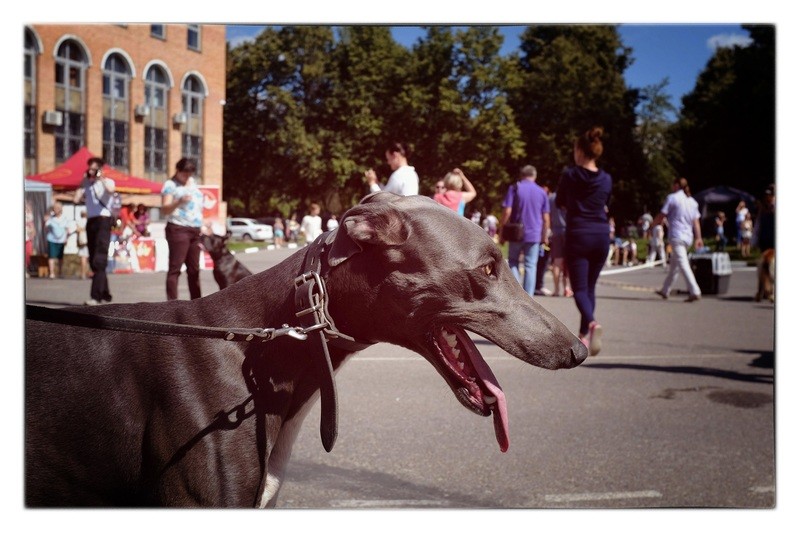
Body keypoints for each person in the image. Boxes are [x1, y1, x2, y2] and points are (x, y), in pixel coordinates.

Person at [556, 127, 612, 356]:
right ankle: (583, 336)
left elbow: (560, 201)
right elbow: (605, 202)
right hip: (601, 234)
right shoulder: (606, 179)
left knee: (579, 288)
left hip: (579, 233)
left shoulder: (570, 175)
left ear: (579, 150)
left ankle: (591, 323)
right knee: (589, 288)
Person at [500, 165, 550, 297]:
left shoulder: (515, 188)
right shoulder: (542, 192)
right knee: (530, 265)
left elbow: (507, 211)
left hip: (516, 233)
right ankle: (529, 297)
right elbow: (546, 218)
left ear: (521, 175)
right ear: (534, 176)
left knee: (513, 262)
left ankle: (516, 294)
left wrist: (502, 231)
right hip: (534, 234)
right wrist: (544, 235)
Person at [654, 177, 704, 303]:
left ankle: (695, 290)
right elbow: (696, 222)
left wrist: (653, 225)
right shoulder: (692, 201)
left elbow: (662, 215)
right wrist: (698, 237)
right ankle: (665, 290)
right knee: (674, 265)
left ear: (676, 185)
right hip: (688, 237)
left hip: (677, 235)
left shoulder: (672, 198)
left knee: (683, 263)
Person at [73, 157, 116, 305]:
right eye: (89, 168)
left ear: (100, 169)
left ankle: (96, 297)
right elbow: (76, 199)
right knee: (93, 260)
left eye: (94, 168)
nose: (91, 171)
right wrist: (83, 182)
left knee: (99, 259)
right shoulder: (87, 184)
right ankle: (105, 292)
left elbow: (111, 190)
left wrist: (100, 177)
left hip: (103, 220)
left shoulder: (108, 181)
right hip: (91, 221)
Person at [161, 158, 205, 300]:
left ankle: (197, 303)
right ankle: (172, 304)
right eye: (185, 173)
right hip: (178, 229)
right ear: (178, 171)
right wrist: (178, 201)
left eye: (190, 173)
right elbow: (165, 209)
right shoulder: (170, 185)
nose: (187, 177)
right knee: (175, 268)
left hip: (195, 230)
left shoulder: (192, 183)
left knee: (194, 269)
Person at [548, 189, 572, 297]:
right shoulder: (570, 195)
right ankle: (567, 288)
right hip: (570, 231)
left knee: (557, 262)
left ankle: (556, 289)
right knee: (569, 263)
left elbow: (547, 215)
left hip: (556, 232)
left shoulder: (551, 198)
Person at [44, 201, 68, 279]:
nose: (56, 209)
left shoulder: (65, 218)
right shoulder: (50, 218)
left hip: (61, 240)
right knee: (51, 256)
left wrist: (66, 238)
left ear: (61, 209)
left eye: (58, 208)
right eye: (55, 208)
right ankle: (52, 273)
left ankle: (60, 272)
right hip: (52, 239)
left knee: (60, 257)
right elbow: (45, 227)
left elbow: (67, 229)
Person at [76, 211, 90, 279]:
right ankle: (86, 273)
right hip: (89, 240)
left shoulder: (79, 221)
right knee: (87, 258)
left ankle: (83, 273)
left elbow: (77, 230)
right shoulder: (89, 221)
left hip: (82, 240)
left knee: (83, 257)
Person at [25, 200, 36, 278]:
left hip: (28, 238)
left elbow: (32, 226)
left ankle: (26, 269)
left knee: (28, 254)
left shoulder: (30, 217)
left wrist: (32, 232)